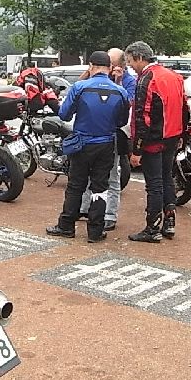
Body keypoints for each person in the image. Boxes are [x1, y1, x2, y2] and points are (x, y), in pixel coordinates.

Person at [46, 51, 130, 243]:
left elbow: (64, 115)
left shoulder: (80, 87)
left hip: (82, 143)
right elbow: (122, 121)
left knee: (76, 185)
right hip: (106, 144)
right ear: (110, 68)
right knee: (100, 187)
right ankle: (95, 231)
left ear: (91, 66)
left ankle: (66, 226)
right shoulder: (120, 91)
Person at [124, 41, 188, 243]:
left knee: (154, 184)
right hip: (172, 136)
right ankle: (169, 223)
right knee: (166, 178)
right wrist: (182, 136)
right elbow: (184, 108)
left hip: (154, 139)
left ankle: (152, 228)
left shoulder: (147, 79)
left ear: (139, 57)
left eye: (130, 61)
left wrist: (137, 149)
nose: (130, 66)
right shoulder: (175, 76)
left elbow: (141, 117)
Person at [78, 47, 136, 230]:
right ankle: (85, 208)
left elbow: (127, 106)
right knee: (88, 173)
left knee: (112, 175)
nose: (108, 66)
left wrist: (118, 81)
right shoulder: (97, 77)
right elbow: (77, 88)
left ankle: (110, 214)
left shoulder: (129, 81)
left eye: (111, 63)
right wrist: (88, 71)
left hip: (115, 133)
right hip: (94, 131)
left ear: (120, 65)